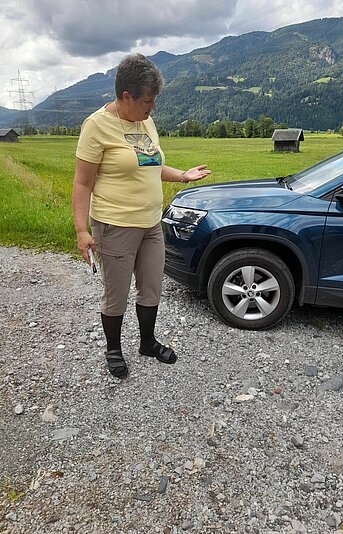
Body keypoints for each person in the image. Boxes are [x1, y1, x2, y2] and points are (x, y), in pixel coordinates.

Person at [72, 53, 211, 379]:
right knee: (116, 293)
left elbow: (150, 164)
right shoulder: (97, 126)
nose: (153, 107)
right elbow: (81, 182)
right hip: (115, 225)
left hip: (150, 223)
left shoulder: (144, 121)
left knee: (151, 287)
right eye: (147, 101)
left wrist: (182, 175)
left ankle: (147, 342)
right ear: (126, 97)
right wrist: (82, 230)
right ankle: (114, 349)